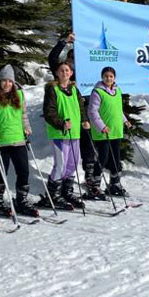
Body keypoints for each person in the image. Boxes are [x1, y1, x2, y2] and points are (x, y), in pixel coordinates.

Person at [0, 65, 39, 217]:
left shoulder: (19, 94)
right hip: (0, 141)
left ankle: (22, 199)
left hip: (18, 138)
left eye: (10, 81)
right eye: (4, 81)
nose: (7, 84)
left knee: (23, 170)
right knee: (2, 170)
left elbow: (23, 114)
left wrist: (26, 127)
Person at [49, 31, 98, 194]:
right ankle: (59, 185)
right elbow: (53, 59)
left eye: (75, 60)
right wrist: (64, 42)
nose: (72, 63)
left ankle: (89, 175)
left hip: (84, 112)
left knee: (87, 144)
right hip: (67, 119)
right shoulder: (64, 74)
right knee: (66, 156)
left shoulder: (86, 71)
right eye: (70, 59)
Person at [44, 62, 90, 209]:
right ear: (57, 73)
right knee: (61, 164)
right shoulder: (53, 89)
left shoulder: (74, 89)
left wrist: (84, 120)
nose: (65, 73)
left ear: (71, 73)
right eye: (62, 70)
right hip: (59, 132)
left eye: (67, 70)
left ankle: (67, 191)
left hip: (74, 132)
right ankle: (53, 195)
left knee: (73, 163)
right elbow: (49, 112)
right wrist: (61, 123)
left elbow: (80, 107)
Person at [87, 66, 132, 197]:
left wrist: (125, 121)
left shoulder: (117, 91)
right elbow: (92, 111)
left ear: (114, 78)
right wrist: (101, 126)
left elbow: (118, 110)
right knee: (103, 157)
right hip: (103, 131)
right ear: (102, 77)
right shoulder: (97, 92)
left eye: (111, 76)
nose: (108, 78)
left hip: (116, 129)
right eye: (106, 76)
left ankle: (115, 184)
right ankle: (94, 185)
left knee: (115, 158)